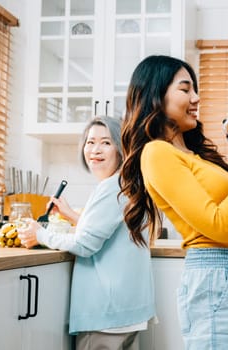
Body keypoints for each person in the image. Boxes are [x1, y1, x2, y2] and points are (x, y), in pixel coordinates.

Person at [119, 55, 228, 350]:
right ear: (156, 94)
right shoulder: (157, 153)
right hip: (217, 279)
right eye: (185, 89)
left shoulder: (198, 157)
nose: (196, 98)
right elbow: (220, 227)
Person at [18, 116, 156, 350]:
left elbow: (85, 244)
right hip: (128, 313)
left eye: (105, 142)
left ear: (121, 148)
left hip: (105, 315)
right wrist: (72, 215)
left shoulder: (111, 187)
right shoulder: (125, 184)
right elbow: (108, 231)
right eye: (90, 142)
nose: (95, 149)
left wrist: (40, 234)